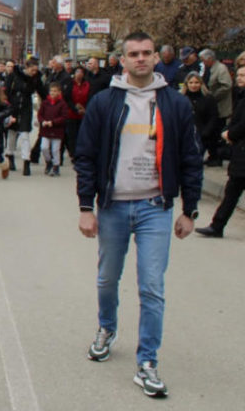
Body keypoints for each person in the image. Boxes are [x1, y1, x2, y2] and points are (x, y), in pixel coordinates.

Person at [75, 31, 202, 398]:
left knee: (151, 287)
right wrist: (86, 207)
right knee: (107, 280)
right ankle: (107, 328)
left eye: (147, 53)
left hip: (155, 209)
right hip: (113, 207)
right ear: (123, 59)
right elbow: (86, 156)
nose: (142, 59)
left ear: (156, 58)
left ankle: (147, 362)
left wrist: (189, 210)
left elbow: (191, 159)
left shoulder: (175, 104)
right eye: (134, 53)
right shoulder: (104, 102)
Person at [197, 65, 245, 237]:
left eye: (243, 75)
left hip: (241, 153)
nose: (239, 78)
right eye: (238, 75)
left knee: (232, 192)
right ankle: (217, 226)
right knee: (231, 192)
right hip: (239, 152)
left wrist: (229, 134)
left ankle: (217, 226)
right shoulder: (240, 96)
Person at [4, 57, 45, 176]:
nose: (34, 72)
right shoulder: (15, 75)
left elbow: (42, 92)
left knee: (25, 133)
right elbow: (6, 90)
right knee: (12, 132)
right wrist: (6, 106)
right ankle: (10, 155)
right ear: (26, 68)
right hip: (14, 105)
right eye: (32, 70)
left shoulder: (36, 78)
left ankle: (26, 161)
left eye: (36, 70)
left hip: (26, 106)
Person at [199, 49, 232, 166]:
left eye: (203, 60)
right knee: (211, 134)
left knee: (217, 133)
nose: (202, 62)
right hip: (210, 107)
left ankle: (218, 157)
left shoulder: (221, 69)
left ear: (209, 59)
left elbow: (227, 85)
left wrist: (213, 97)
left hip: (220, 107)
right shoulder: (208, 69)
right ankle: (212, 156)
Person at [38, 82, 68, 176]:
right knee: (44, 147)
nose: (53, 93)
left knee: (55, 149)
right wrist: (42, 121)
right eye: (51, 91)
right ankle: (48, 161)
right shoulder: (45, 103)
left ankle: (56, 166)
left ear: (59, 92)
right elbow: (40, 114)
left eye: (55, 91)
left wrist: (53, 122)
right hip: (45, 130)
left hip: (57, 130)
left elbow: (64, 117)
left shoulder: (62, 104)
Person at [65, 66, 91, 159]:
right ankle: (73, 154)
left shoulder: (87, 84)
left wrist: (85, 108)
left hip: (84, 114)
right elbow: (67, 98)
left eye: (81, 72)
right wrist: (75, 108)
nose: (79, 74)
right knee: (72, 136)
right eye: (77, 72)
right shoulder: (70, 84)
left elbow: (90, 97)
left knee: (83, 135)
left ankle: (82, 153)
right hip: (72, 113)